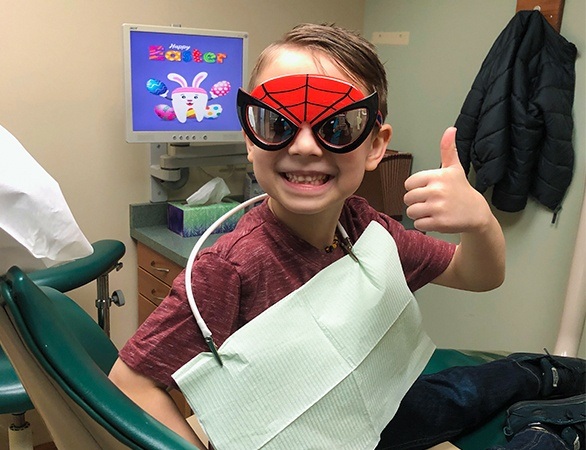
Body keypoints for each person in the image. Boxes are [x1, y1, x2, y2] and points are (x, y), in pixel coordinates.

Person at [109, 23, 585, 449]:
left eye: (336, 126)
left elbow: (478, 275)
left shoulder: (364, 227)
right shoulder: (228, 268)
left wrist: (481, 222)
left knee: (472, 388)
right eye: (278, 123)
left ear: (376, 145)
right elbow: (130, 382)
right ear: (252, 137)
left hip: (376, 408)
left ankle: (546, 374)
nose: (304, 146)